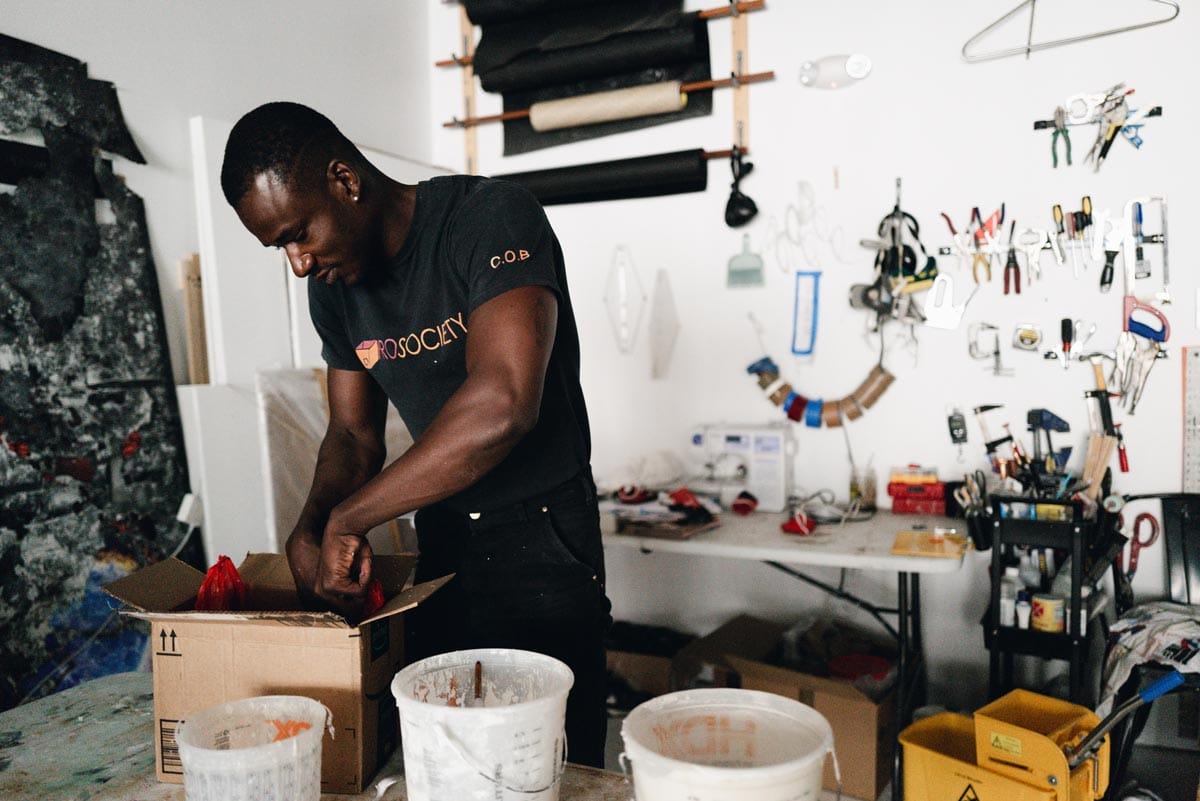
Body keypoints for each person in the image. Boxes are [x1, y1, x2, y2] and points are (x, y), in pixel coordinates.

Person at [219, 102, 612, 767]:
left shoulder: (491, 218)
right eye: (279, 247)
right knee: (448, 752)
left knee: (551, 761)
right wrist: (312, 525)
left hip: (544, 533)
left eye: (297, 233)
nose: (297, 263)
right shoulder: (334, 289)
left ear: (344, 180)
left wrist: (353, 515)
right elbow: (351, 432)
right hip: (445, 536)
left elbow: (504, 403)